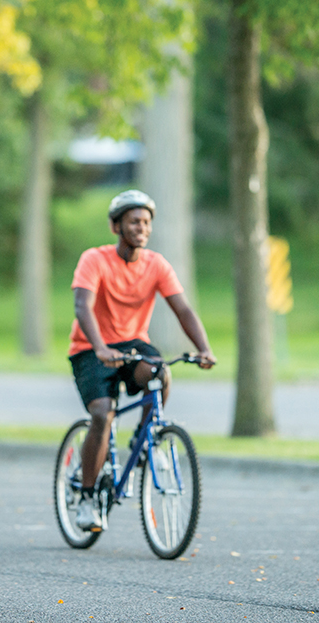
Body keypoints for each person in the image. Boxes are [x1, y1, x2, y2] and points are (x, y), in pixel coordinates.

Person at [68, 189, 216, 531]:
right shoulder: (95, 259)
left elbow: (183, 309)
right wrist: (101, 347)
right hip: (90, 348)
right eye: (134, 221)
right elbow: (82, 307)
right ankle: (88, 498)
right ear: (116, 225)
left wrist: (204, 348)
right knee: (102, 416)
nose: (141, 227)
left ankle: (145, 441)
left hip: (133, 345)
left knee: (160, 372)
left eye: (146, 222)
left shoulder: (156, 264)